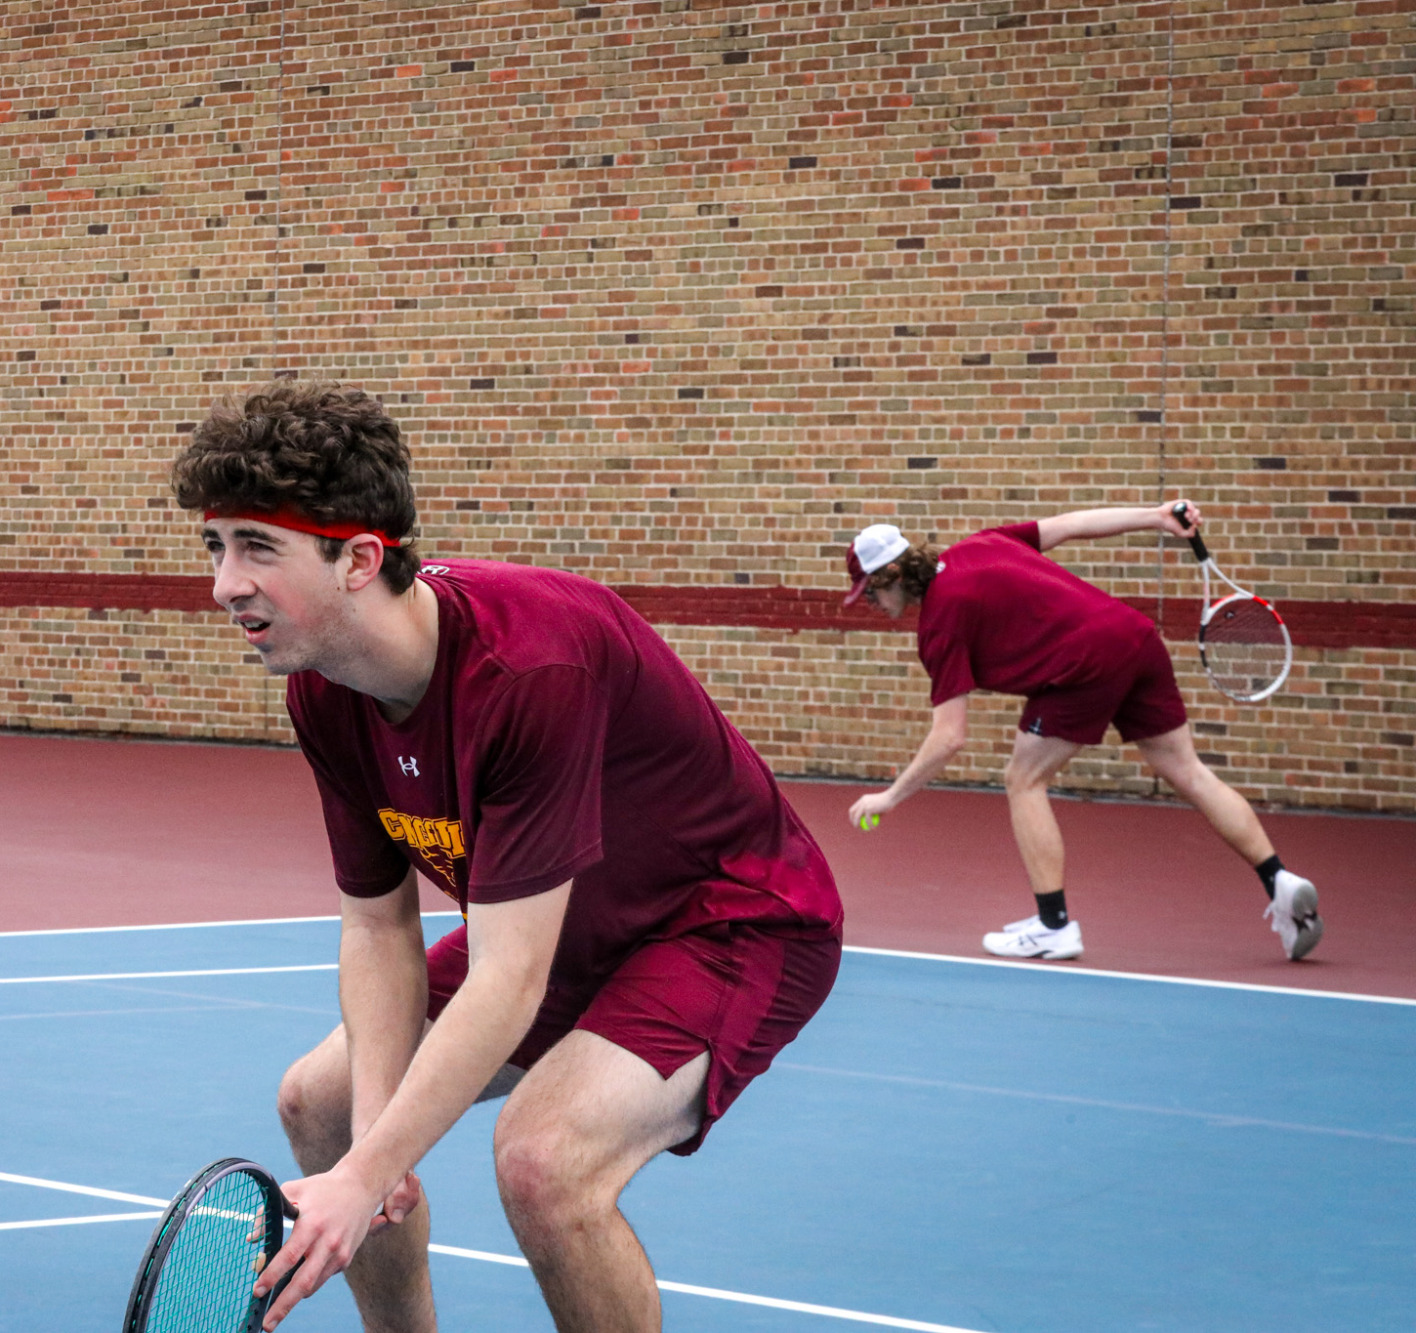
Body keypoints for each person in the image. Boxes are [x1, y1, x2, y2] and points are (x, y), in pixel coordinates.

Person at [171, 381, 843, 1333]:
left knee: (544, 1159)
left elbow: (511, 976)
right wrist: (370, 1145)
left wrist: (366, 1177)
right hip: (562, 930)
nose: (223, 583)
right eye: (217, 545)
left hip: (731, 922)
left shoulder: (533, 666)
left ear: (359, 557)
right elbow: (377, 922)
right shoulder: (326, 691)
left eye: (257, 548)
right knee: (320, 1102)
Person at [840, 504, 1323, 963]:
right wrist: (1155, 517)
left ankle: (1054, 926)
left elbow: (949, 738)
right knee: (1188, 771)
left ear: (893, 577)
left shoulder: (940, 625)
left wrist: (891, 796)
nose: (872, 605)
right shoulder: (982, 544)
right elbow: (1071, 524)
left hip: (1083, 667)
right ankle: (1278, 879)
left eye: (871, 592)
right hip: (1134, 638)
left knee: (1023, 780)